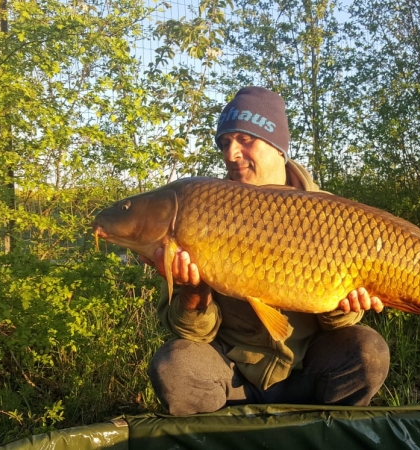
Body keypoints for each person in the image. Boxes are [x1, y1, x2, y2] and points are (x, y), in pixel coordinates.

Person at [146, 86, 390, 416]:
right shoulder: (200, 211)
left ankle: (327, 432)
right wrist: (194, 291)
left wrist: (345, 306)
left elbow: (338, 325)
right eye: (224, 142)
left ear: (278, 147)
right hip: (231, 375)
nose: (231, 153)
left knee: (367, 351)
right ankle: (215, 438)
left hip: (308, 370)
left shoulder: (331, 215)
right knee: (175, 365)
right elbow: (193, 334)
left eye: (245, 139)